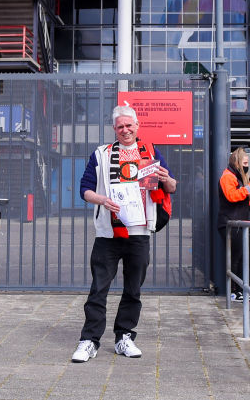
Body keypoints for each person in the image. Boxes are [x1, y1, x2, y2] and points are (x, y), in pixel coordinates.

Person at [71, 105, 177, 363]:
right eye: (120, 126)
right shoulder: (102, 155)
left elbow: (172, 187)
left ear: (137, 126)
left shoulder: (150, 152)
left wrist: (164, 178)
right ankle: (89, 341)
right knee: (98, 288)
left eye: (129, 125)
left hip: (139, 232)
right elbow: (84, 189)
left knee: (133, 289)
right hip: (108, 233)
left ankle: (124, 337)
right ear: (114, 129)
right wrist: (102, 200)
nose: (125, 130)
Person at [217, 147, 250, 301]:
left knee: (239, 257)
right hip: (230, 223)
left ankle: (238, 290)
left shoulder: (236, 176)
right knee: (236, 258)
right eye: (245, 162)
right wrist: (248, 188)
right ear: (237, 162)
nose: (247, 165)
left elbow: (244, 201)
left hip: (236, 223)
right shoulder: (227, 177)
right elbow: (231, 196)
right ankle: (234, 291)